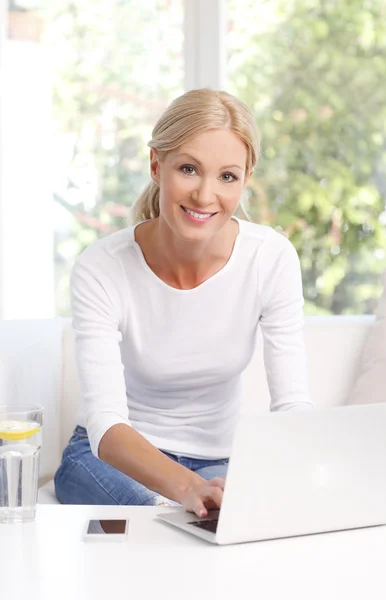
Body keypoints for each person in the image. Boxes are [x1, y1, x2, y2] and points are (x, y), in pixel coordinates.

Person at [54, 88, 314, 518]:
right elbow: (105, 422)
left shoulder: (270, 258)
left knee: (233, 516)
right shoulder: (101, 267)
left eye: (227, 176)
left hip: (220, 459)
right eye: (189, 169)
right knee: (167, 515)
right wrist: (187, 488)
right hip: (112, 459)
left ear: (246, 178)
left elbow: (291, 405)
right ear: (157, 166)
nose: (204, 195)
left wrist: (304, 469)